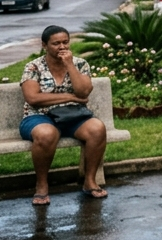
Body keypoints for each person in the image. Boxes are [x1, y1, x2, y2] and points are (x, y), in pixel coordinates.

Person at [20, 25, 108, 204]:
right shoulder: (34, 67)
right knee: (47, 133)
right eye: (56, 43)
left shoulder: (80, 64)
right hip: (39, 116)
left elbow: (83, 92)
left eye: (65, 42)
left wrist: (69, 65)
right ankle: (42, 185)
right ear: (44, 45)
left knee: (97, 128)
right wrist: (69, 96)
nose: (62, 47)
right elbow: (33, 98)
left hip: (71, 116)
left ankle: (89, 181)